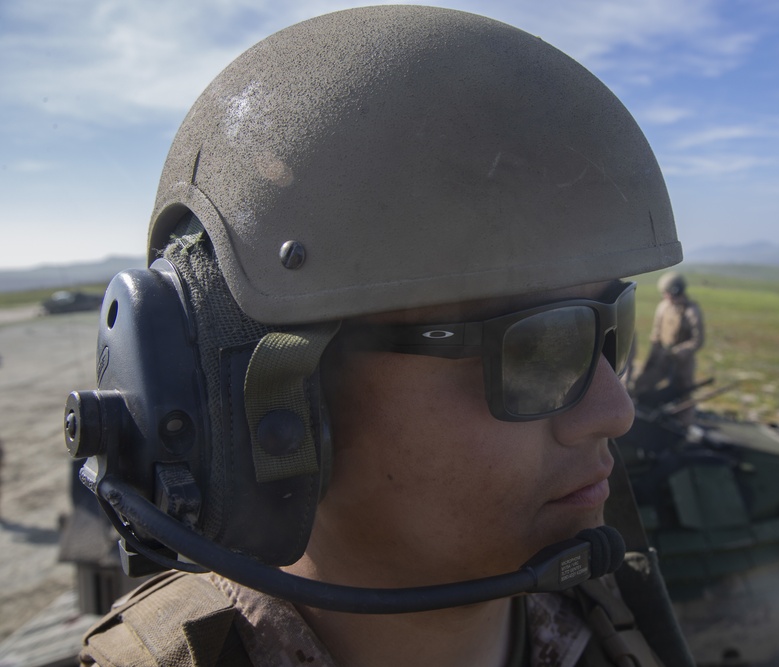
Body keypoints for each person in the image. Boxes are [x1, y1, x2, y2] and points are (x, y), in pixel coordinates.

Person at [71, 6, 694, 666]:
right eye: (537, 348)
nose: (615, 412)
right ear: (267, 410)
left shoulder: (614, 628)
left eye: (611, 328)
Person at [631, 273, 704, 423]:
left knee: (683, 393)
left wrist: (681, 351)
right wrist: (653, 356)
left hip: (682, 361)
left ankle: (684, 425)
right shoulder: (663, 307)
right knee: (643, 383)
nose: (664, 296)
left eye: (666, 293)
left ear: (675, 291)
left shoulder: (692, 311)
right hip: (662, 356)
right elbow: (656, 334)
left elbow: (698, 340)